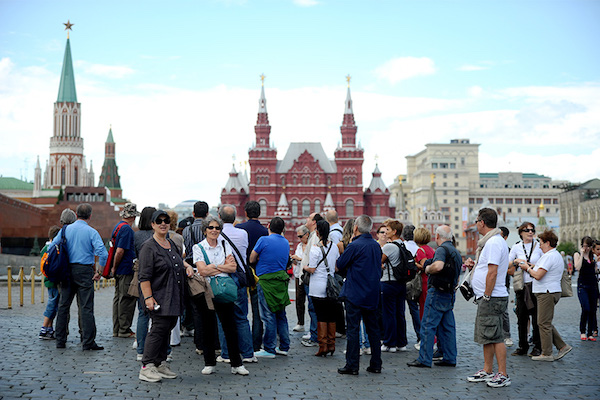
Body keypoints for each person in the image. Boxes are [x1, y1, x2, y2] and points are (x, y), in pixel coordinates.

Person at [138, 210, 193, 382]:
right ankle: (147, 366)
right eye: (159, 221)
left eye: (166, 221)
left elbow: (176, 260)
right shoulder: (148, 247)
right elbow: (144, 276)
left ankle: (160, 362)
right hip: (158, 295)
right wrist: (148, 298)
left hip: (174, 294)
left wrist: (186, 266)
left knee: (167, 328)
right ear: (152, 224)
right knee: (158, 330)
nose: (163, 224)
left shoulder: (170, 243)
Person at [192, 215, 249, 375]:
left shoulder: (225, 245)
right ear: (205, 230)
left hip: (225, 289)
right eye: (211, 227)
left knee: (230, 326)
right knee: (208, 327)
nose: (214, 230)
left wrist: (214, 267)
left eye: (217, 228)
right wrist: (222, 266)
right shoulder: (198, 247)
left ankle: (236, 364)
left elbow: (232, 267)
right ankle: (209, 362)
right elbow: (202, 270)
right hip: (207, 290)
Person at [464, 207, 511, 388]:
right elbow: (487, 268)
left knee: (496, 335)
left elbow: (492, 272)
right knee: (487, 335)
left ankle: (502, 374)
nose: (476, 224)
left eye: (477, 221)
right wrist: (474, 266)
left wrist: (487, 295)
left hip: (492, 297)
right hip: (491, 296)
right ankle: (488, 369)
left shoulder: (492, 243)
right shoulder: (492, 241)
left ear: (482, 222)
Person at [53, 203, 107, 351]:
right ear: (90, 216)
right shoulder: (92, 232)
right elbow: (103, 253)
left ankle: (60, 340)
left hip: (67, 270)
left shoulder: (65, 230)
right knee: (86, 307)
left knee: (63, 306)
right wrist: (99, 271)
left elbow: (53, 246)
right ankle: (88, 342)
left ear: (76, 215)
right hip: (84, 271)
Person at [407, 225, 462, 368]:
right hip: (449, 293)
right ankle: (450, 357)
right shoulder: (455, 251)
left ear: (437, 236)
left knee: (427, 325)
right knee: (448, 327)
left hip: (437, 291)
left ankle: (424, 359)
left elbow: (438, 266)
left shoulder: (442, 250)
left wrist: (427, 269)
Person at [336, 215, 382, 375]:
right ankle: (376, 364)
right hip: (372, 293)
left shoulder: (354, 246)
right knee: (373, 330)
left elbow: (340, 264)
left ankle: (352, 365)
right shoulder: (376, 246)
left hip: (355, 293)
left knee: (353, 330)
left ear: (355, 228)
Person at [520, 230, 572, 361]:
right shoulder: (553, 255)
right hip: (549, 291)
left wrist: (527, 268)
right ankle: (562, 346)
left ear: (548, 243)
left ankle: (547, 353)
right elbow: (542, 269)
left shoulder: (549, 256)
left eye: (541, 243)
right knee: (545, 322)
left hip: (547, 292)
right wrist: (532, 266)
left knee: (543, 323)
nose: (539, 245)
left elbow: (538, 275)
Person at [216, 205, 257, 364]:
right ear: (235, 217)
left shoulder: (217, 235)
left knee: (223, 318)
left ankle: (226, 354)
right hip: (240, 279)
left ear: (220, 216)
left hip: (224, 278)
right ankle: (248, 353)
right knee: (241, 317)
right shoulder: (243, 233)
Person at [249, 217, 291, 358]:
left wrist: (261, 257)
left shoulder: (263, 240)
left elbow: (251, 259)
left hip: (266, 281)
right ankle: (284, 346)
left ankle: (269, 349)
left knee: (268, 315)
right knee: (281, 314)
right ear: (283, 229)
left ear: (268, 226)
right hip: (281, 282)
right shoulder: (285, 242)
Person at [303, 220, 341, 356]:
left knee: (321, 316)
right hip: (331, 286)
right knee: (331, 315)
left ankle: (322, 345)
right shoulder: (334, 247)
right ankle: (331, 345)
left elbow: (312, 269)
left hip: (318, 285)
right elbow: (336, 267)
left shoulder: (315, 248)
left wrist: (305, 266)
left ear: (317, 232)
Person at [236, 200, 269, 351]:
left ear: (246, 213)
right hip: (257, 274)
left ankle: (241, 342)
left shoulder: (239, 228)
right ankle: (256, 344)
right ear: (259, 213)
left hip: (241, 272)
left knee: (240, 310)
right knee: (257, 311)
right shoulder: (264, 231)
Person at [507, 222, 543, 356]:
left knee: (536, 318)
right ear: (521, 232)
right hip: (521, 286)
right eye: (527, 230)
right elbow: (508, 263)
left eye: (532, 230)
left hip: (536, 285)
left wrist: (532, 265)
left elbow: (544, 262)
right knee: (521, 317)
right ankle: (522, 346)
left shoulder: (539, 245)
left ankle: (537, 346)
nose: (530, 232)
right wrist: (516, 262)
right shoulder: (516, 247)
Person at [182, 201, 209, 354]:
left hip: (190, 268)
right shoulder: (209, 229)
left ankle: (194, 334)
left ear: (193, 214)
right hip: (205, 268)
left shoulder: (186, 230)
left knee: (193, 304)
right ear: (206, 214)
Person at [111, 202, 140, 339]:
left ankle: (117, 329)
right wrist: (115, 267)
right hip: (125, 269)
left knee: (118, 299)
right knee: (126, 300)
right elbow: (120, 251)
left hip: (119, 269)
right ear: (133, 217)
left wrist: (114, 268)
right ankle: (124, 329)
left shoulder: (118, 227)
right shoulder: (127, 230)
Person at [380, 220, 408, 353]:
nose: (386, 232)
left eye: (388, 230)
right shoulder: (402, 244)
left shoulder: (388, 246)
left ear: (394, 232)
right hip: (401, 283)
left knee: (389, 314)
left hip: (389, 282)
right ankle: (401, 343)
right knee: (399, 313)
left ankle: (389, 343)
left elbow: (377, 260)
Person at [134, 206, 156, 361]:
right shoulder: (159, 234)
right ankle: (161, 349)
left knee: (142, 313)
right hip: (159, 277)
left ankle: (140, 349)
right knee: (159, 316)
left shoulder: (136, 236)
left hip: (141, 276)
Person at [300, 213, 323, 347]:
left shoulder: (314, 237)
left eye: (308, 218)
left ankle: (315, 336)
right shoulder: (315, 236)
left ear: (314, 222)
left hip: (312, 277)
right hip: (314, 277)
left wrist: (305, 267)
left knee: (313, 307)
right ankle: (316, 334)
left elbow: (314, 261)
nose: (306, 220)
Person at [574, 236, 599, 341]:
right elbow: (578, 267)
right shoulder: (577, 255)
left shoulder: (593, 257)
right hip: (582, 285)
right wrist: (582, 254)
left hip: (593, 285)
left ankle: (590, 333)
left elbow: (596, 270)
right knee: (586, 308)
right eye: (585, 246)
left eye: (589, 246)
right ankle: (583, 331)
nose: (587, 248)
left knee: (593, 309)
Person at [402, 224, 421, 345]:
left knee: (399, 311)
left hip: (400, 281)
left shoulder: (402, 246)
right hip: (415, 282)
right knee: (415, 310)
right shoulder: (418, 248)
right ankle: (420, 335)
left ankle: (401, 338)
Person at [291, 225, 310, 332]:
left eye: (300, 236)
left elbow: (310, 260)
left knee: (311, 302)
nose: (299, 238)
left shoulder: (312, 246)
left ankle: (313, 326)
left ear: (307, 235)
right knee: (299, 300)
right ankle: (300, 322)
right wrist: (294, 259)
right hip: (299, 276)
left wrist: (299, 258)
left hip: (308, 276)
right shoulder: (299, 246)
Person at [498, 227, 513, 348]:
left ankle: (507, 335)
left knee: (504, 312)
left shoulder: (508, 250)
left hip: (503, 285)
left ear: (505, 237)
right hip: (491, 284)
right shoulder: (492, 247)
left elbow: (512, 270)